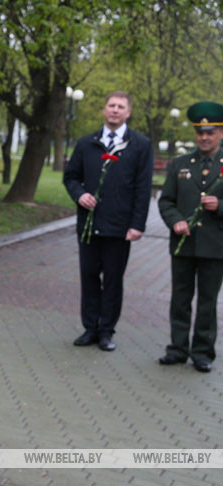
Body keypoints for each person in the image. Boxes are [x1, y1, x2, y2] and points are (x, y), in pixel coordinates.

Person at [63, 91, 153, 352]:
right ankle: (89, 327)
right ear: (104, 110)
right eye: (111, 105)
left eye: (120, 106)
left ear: (128, 112)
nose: (115, 110)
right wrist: (80, 195)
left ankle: (106, 331)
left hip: (120, 227)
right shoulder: (86, 143)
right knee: (89, 276)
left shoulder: (140, 145)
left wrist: (137, 225)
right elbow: (70, 177)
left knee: (113, 280)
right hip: (89, 226)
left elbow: (142, 188)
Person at [157, 101, 223, 373]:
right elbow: (166, 202)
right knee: (180, 299)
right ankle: (177, 349)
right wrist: (176, 222)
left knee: (207, 302)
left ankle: (203, 352)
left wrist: (221, 207)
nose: (204, 138)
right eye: (200, 133)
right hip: (183, 243)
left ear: (221, 133)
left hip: (215, 246)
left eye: (210, 132)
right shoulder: (180, 164)